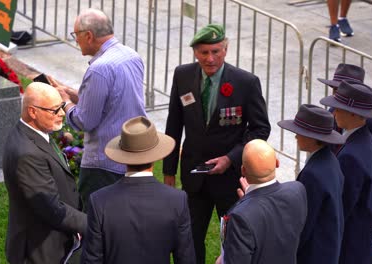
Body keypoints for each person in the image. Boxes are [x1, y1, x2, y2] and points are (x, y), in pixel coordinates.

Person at [163, 24, 271, 263]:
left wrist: (230, 158)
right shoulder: (182, 75)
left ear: (226, 49)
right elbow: (173, 125)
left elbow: (261, 128)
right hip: (194, 176)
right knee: (188, 240)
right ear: (194, 52)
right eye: (204, 52)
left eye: (216, 51)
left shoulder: (246, 82)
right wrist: (169, 171)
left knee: (234, 239)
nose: (210, 58)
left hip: (229, 179)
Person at [48, 8, 146, 212]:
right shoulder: (131, 55)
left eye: (76, 35)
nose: (76, 41)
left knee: (96, 228)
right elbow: (115, 101)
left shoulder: (99, 69)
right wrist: (78, 95)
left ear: (89, 36)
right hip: (133, 158)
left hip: (103, 165)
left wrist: (65, 101)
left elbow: (84, 121)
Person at [81, 116, 195, 264]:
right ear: (155, 156)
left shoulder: (100, 201)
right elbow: (186, 258)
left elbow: (91, 260)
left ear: (123, 155)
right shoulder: (177, 200)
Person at [2, 82, 87, 264]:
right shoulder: (27, 154)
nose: (62, 114)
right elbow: (52, 209)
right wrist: (94, 225)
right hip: (40, 250)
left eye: (62, 107)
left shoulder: (34, 132)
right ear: (33, 112)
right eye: (55, 110)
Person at [318, 63, 372, 263]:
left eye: (340, 92)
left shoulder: (370, 128)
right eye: (335, 90)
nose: (335, 98)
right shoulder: (334, 115)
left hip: (359, 213)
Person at [217, 139, 307, 264]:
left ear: (243, 170)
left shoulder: (240, 217)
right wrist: (249, 201)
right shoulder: (297, 190)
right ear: (277, 163)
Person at [278, 104, 345, 264]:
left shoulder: (313, 174)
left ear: (312, 137)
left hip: (313, 254)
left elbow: (305, 223)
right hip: (328, 248)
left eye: (299, 133)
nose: (296, 137)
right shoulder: (330, 160)